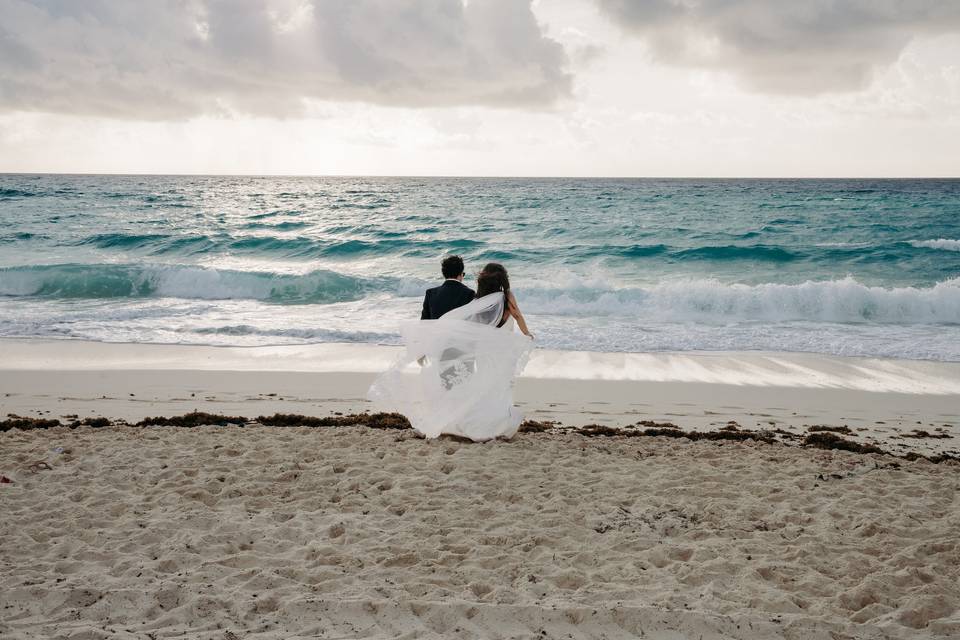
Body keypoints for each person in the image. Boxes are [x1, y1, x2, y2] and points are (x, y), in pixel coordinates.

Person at [368, 262, 534, 441]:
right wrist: (527, 334)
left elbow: (462, 325)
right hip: (500, 352)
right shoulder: (502, 297)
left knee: (477, 385)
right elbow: (516, 315)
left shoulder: (477, 300)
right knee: (496, 386)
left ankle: (461, 418)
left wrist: (424, 347)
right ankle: (492, 422)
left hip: (478, 352)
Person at [421, 255, 475, 320]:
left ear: (444, 274)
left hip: (436, 330)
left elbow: (424, 322)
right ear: (460, 274)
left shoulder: (430, 293)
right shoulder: (469, 293)